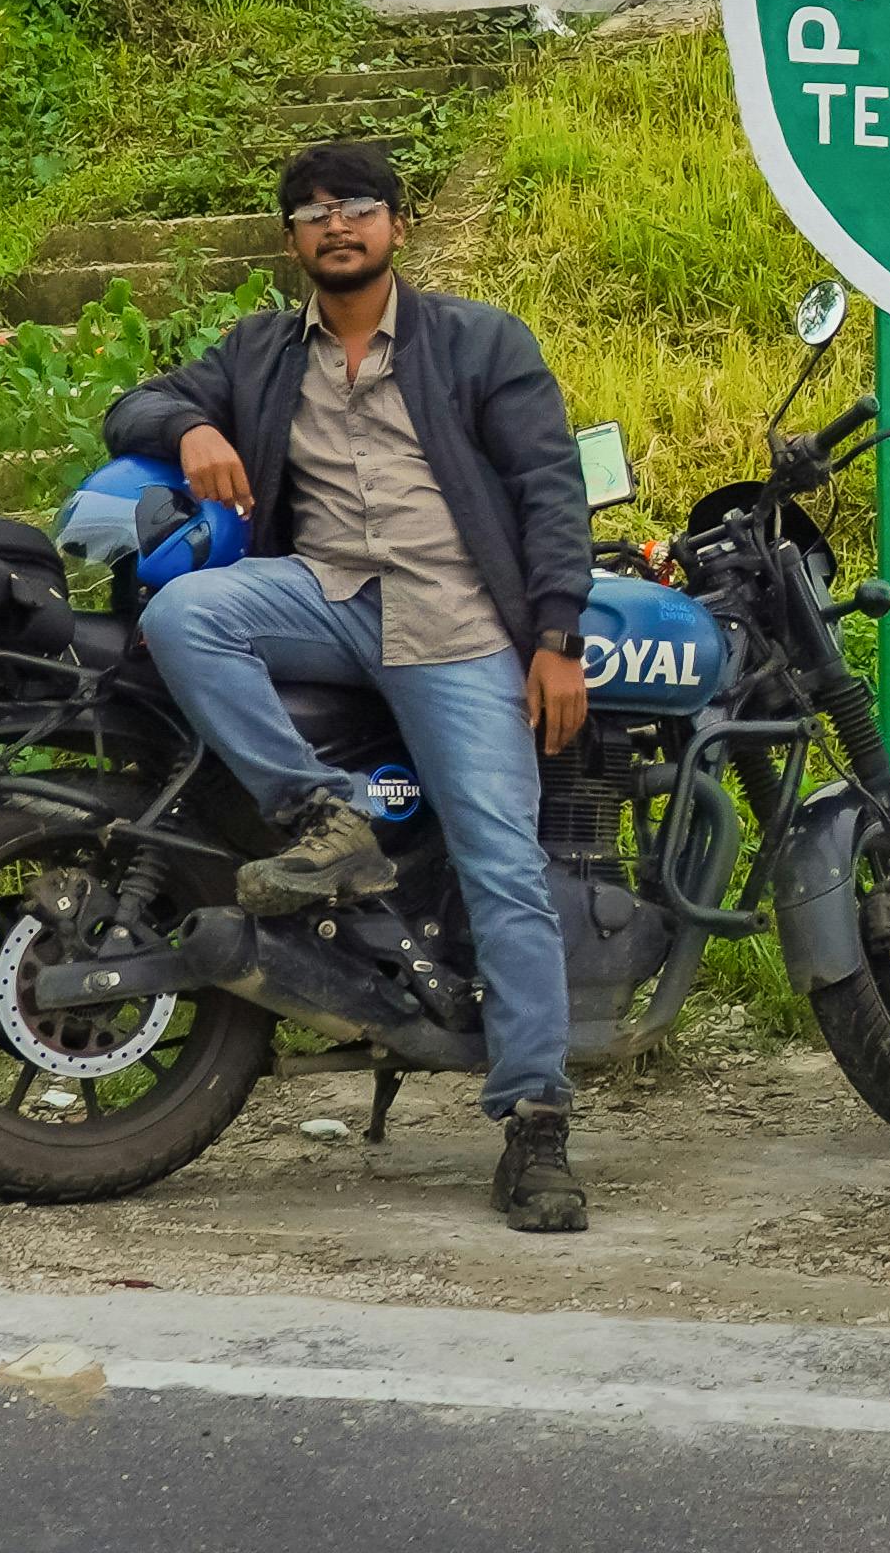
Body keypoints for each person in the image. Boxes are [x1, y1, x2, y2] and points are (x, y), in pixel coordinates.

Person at [103, 140, 600, 1234]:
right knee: (185, 610)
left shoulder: (478, 340)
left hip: (455, 618)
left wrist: (555, 632)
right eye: (313, 209)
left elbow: (549, 486)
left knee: (504, 864)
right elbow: (133, 403)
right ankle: (323, 814)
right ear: (291, 239)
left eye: (358, 205)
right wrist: (189, 425)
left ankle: (535, 1119)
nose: (337, 223)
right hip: (322, 593)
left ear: (397, 226)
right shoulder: (260, 353)